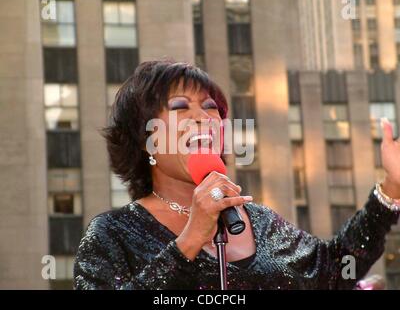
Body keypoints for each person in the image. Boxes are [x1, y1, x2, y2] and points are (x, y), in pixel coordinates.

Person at [73, 60, 400, 290]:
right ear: (147, 141)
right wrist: (189, 241)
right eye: (180, 107)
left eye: (210, 107)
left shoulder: (260, 222)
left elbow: (332, 272)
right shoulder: (112, 235)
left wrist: (391, 187)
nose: (202, 117)